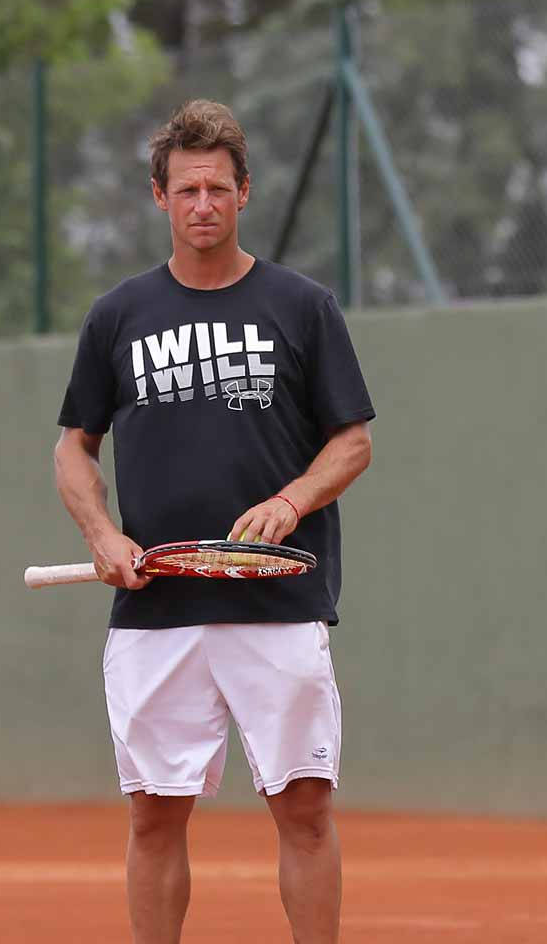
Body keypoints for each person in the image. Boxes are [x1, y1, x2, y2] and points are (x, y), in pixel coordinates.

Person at [53, 99, 374, 943]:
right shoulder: (117, 316)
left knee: (304, 811)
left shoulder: (303, 307)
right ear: (159, 197)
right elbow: (72, 450)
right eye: (187, 188)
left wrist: (289, 501)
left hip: (277, 608)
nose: (204, 204)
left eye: (219, 189)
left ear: (244, 195)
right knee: (155, 819)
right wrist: (102, 536)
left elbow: (353, 443)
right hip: (157, 611)